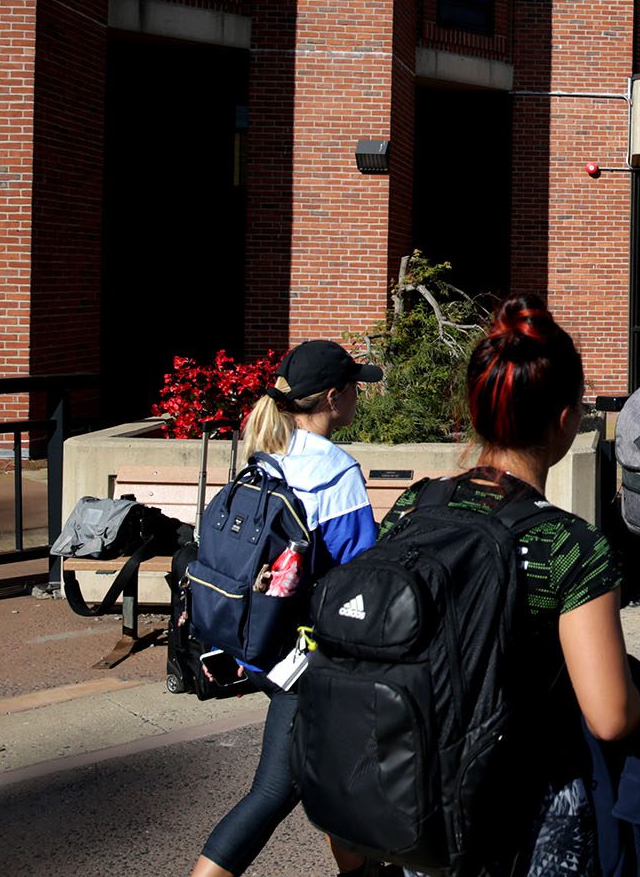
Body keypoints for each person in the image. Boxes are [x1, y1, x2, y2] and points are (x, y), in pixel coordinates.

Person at [380, 296, 640, 873]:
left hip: (419, 802)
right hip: (527, 816)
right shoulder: (568, 545)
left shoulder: (413, 506)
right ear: (564, 420)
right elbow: (610, 717)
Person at [192, 340, 384, 877]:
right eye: (353, 387)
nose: (357, 396)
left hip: (264, 644)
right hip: (312, 660)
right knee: (280, 790)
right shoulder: (336, 470)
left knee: (331, 783)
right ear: (332, 397)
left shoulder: (266, 457)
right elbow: (359, 581)